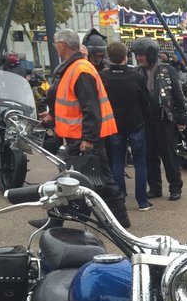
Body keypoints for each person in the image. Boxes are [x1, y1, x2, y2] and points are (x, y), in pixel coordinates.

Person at [43, 28, 130, 228]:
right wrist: (53, 117)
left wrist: (89, 139)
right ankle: (118, 219)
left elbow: (91, 107)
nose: (55, 46)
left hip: (83, 137)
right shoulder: (76, 68)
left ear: (63, 45)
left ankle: (57, 221)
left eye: (56, 43)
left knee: (76, 179)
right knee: (94, 179)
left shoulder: (80, 70)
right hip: (81, 136)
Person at [131, 37, 187, 201]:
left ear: (151, 54)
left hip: (165, 120)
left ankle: (175, 187)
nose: (139, 58)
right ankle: (155, 187)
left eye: (142, 54)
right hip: (145, 121)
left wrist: (182, 118)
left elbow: (179, 95)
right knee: (149, 156)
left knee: (169, 156)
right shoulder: (136, 73)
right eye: (137, 55)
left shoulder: (168, 70)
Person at [102, 41, 151, 211]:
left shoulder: (104, 77)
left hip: (114, 125)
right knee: (140, 163)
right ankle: (142, 201)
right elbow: (146, 101)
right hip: (136, 124)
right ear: (125, 57)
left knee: (117, 161)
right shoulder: (135, 76)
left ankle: (120, 197)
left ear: (109, 57)